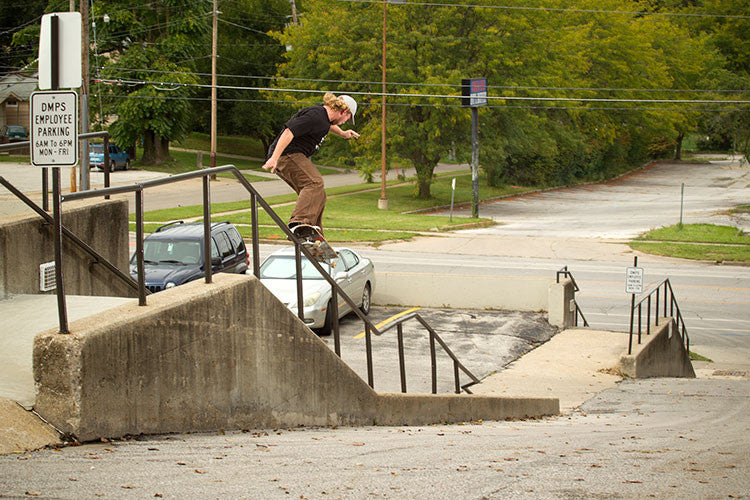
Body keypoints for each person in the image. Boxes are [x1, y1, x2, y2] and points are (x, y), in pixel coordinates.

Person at [262, 92, 359, 233]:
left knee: (319, 195)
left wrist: (343, 134)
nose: (345, 122)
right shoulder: (315, 115)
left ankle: (313, 232)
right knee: (314, 183)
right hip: (287, 155)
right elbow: (289, 131)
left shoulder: (325, 120)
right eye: (347, 119)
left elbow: (328, 127)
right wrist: (274, 158)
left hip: (290, 156)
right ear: (344, 111)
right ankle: (299, 223)